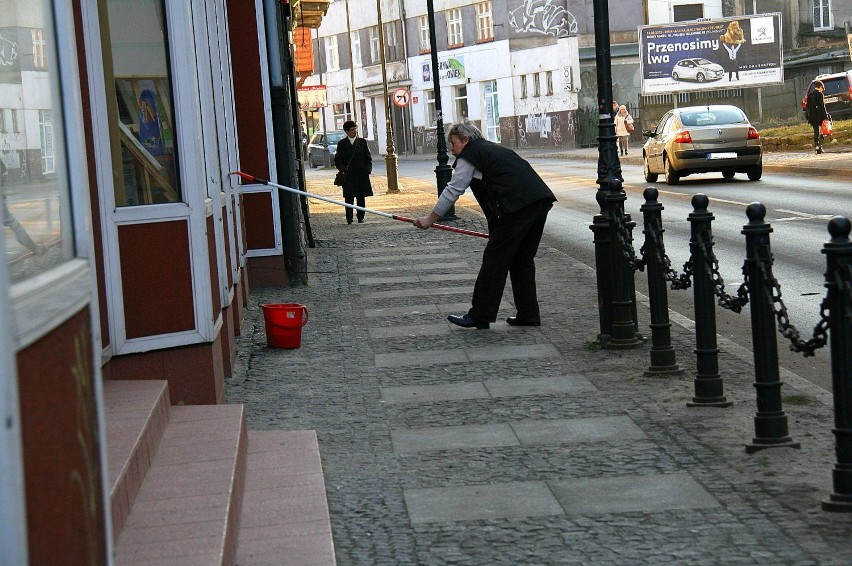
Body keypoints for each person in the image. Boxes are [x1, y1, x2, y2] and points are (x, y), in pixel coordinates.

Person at [413, 123, 556, 329]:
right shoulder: (493, 149)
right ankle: (528, 314)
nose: (451, 150)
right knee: (522, 260)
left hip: (517, 207)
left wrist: (430, 219)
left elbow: (453, 189)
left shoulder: (471, 155)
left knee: (494, 261)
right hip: (538, 202)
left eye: (453, 144)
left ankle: (480, 315)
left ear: (465, 140)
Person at [334, 120, 373, 224]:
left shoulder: (362, 142)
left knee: (361, 197)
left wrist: (368, 169)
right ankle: (349, 217)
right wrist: (342, 169)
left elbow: (368, 157)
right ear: (347, 132)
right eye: (352, 129)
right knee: (349, 197)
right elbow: (337, 159)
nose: (354, 131)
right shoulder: (342, 144)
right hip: (348, 175)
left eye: (355, 129)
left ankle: (361, 216)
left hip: (361, 174)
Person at [806, 80, 828, 155]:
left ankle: (816, 146)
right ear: (821, 87)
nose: (823, 90)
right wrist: (826, 117)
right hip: (819, 116)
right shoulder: (820, 95)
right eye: (823, 88)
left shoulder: (810, 95)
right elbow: (822, 107)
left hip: (812, 116)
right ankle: (820, 146)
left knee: (816, 131)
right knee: (823, 131)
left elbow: (807, 107)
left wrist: (808, 116)